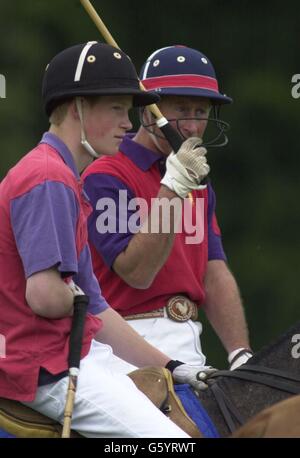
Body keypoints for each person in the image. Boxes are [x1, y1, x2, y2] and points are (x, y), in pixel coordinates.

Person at [0, 41, 215, 438]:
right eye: (117, 108)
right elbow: (48, 296)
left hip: (84, 350)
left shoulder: (67, 178)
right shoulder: (51, 178)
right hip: (45, 364)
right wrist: (171, 191)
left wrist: (172, 366)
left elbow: (97, 308)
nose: (128, 123)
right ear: (77, 106)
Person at [82, 45, 253, 375]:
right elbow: (137, 272)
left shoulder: (196, 181)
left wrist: (240, 353)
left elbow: (213, 272)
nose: (191, 127)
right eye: (181, 110)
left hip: (190, 343)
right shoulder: (107, 173)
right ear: (148, 110)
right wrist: (173, 187)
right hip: (124, 348)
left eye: (200, 113)